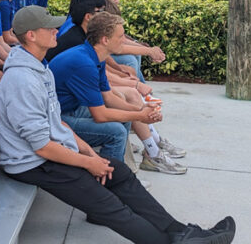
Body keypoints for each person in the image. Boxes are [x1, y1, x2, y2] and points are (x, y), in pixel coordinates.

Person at [0, 6, 236, 244]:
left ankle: (182, 232)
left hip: (49, 155)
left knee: (117, 172)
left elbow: (56, 122)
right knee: (110, 205)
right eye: (49, 27)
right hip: (32, 164)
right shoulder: (22, 80)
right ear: (31, 35)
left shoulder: (39, 68)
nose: (56, 31)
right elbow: (41, 146)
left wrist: (85, 150)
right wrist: (89, 163)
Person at [50, 13, 187, 174]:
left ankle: (122, 172)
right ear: (105, 40)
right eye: (120, 36)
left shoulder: (95, 55)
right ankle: (114, 180)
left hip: (70, 109)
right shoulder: (84, 63)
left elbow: (108, 97)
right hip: (57, 119)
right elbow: (100, 115)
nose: (124, 40)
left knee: (125, 114)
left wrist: (141, 110)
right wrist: (139, 115)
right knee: (116, 132)